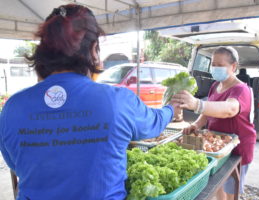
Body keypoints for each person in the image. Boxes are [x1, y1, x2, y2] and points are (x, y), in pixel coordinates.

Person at [0, 4, 179, 200]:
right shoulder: (117, 101)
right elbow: (153, 123)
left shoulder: (12, 108)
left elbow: (16, 164)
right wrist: (171, 109)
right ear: (94, 49)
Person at [172, 46, 256, 200]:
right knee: (217, 184)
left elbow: (229, 109)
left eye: (220, 65)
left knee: (231, 190)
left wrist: (197, 104)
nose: (215, 68)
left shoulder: (241, 90)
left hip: (238, 149)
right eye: (213, 64)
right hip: (219, 148)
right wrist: (196, 125)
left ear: (233, 66)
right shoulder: (215, 86)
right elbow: (207, 113)